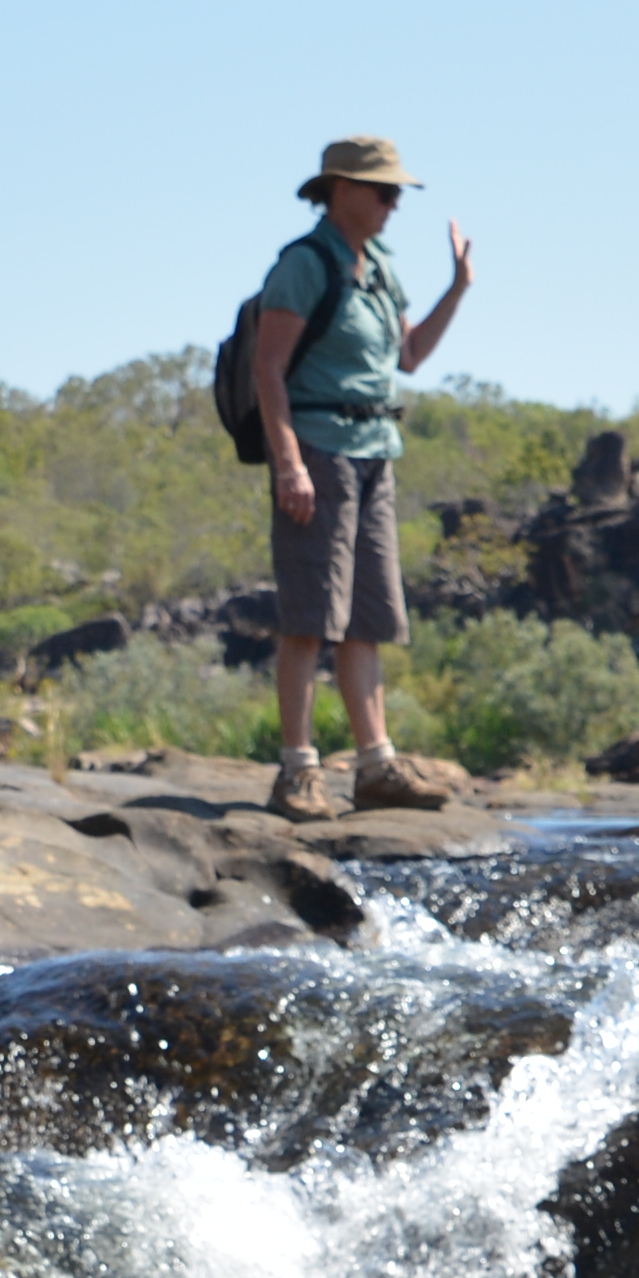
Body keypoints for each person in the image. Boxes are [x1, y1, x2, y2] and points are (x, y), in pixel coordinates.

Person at [244, 136, 475, 819]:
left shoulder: (378, 267)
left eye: (397, 191)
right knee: (309, 620)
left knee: (367, 620)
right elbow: (267, 370)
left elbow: (410, 356)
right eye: (382, 190)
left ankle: (376, 767)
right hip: (317, 451)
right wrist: (289, 465)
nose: (393, 202)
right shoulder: (304, 264)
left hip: (377, 450)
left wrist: (457, 290)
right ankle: (297, 770)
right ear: (340, 189)